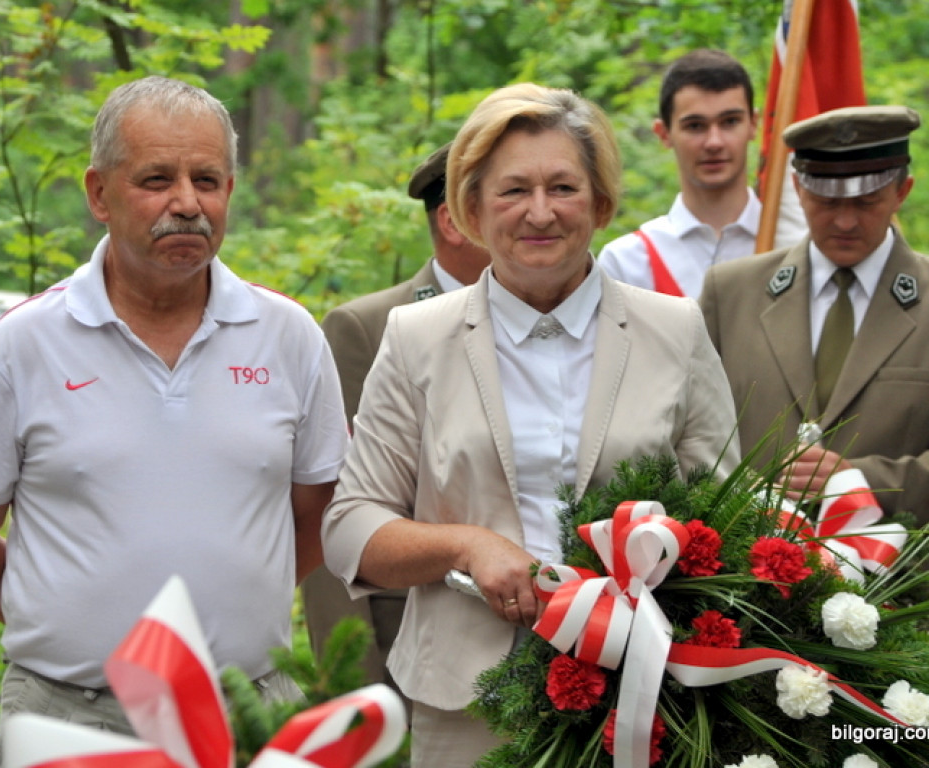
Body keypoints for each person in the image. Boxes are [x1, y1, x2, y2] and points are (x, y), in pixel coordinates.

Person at [0, 75, 349, 764]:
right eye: (156, 179)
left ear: (230, 192)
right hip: (68, 716)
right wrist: (63, 622)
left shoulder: (288, 337)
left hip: (242, 714)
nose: (187, 203)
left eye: (207, 179)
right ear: (98, 193)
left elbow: (318, 512)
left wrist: (229, 603)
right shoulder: (24, 345)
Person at [321, 82, 740, 768]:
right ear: (472, 209)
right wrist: (466, 545)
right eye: (513, 190)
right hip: (467, 706)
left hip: (646, 699)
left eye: (564, 187)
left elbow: (732, 518)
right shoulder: (416, 338)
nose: (539, 212)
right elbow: (349, 528)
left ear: (601, 203)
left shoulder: (675, 329)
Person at [301, 142, 490, 695]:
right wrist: (355, 694)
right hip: (410, 662)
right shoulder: (369, 327)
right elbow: (332, 515)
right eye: (506, 196)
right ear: (453, 221)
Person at [699, 105, 929, 521]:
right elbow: (690, 434)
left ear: (902, 191)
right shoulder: (731, 293)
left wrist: (859, 482)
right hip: (748, 569)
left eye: (866, 201)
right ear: (797, 189)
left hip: (904, 574)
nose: (844, 220)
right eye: (825, 201)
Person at [597, 49, 768, 298]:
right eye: (695, 126)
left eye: (730, 121)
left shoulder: (794, 239)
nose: (714, 142)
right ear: (664, 133)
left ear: (753, 124)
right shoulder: (627, 264)